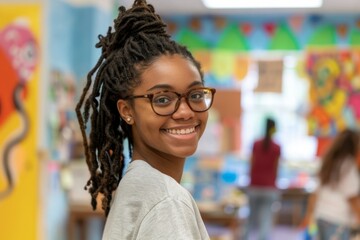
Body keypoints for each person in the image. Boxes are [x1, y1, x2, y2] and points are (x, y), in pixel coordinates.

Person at [75, 0, 216, 239]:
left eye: (195, 95)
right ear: (127, 110)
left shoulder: (138, 184)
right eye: (162, 99)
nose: (185, 112)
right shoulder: (167, 201)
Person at [301, 128, 360, 240]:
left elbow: (315, 194)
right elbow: (352, 198)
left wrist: (308, 216)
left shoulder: (328, 163)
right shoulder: (348, 166)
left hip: (321, 216)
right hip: (337, 219)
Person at [244, 117, 281, 240]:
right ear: (274, 129)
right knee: (266, 219)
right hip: (269, 188)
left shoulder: (256, 144)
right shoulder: (277, 147)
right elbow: (276, 169)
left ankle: (244, 237)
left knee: (250, 218)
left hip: (254, 186)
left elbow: (251, 163)